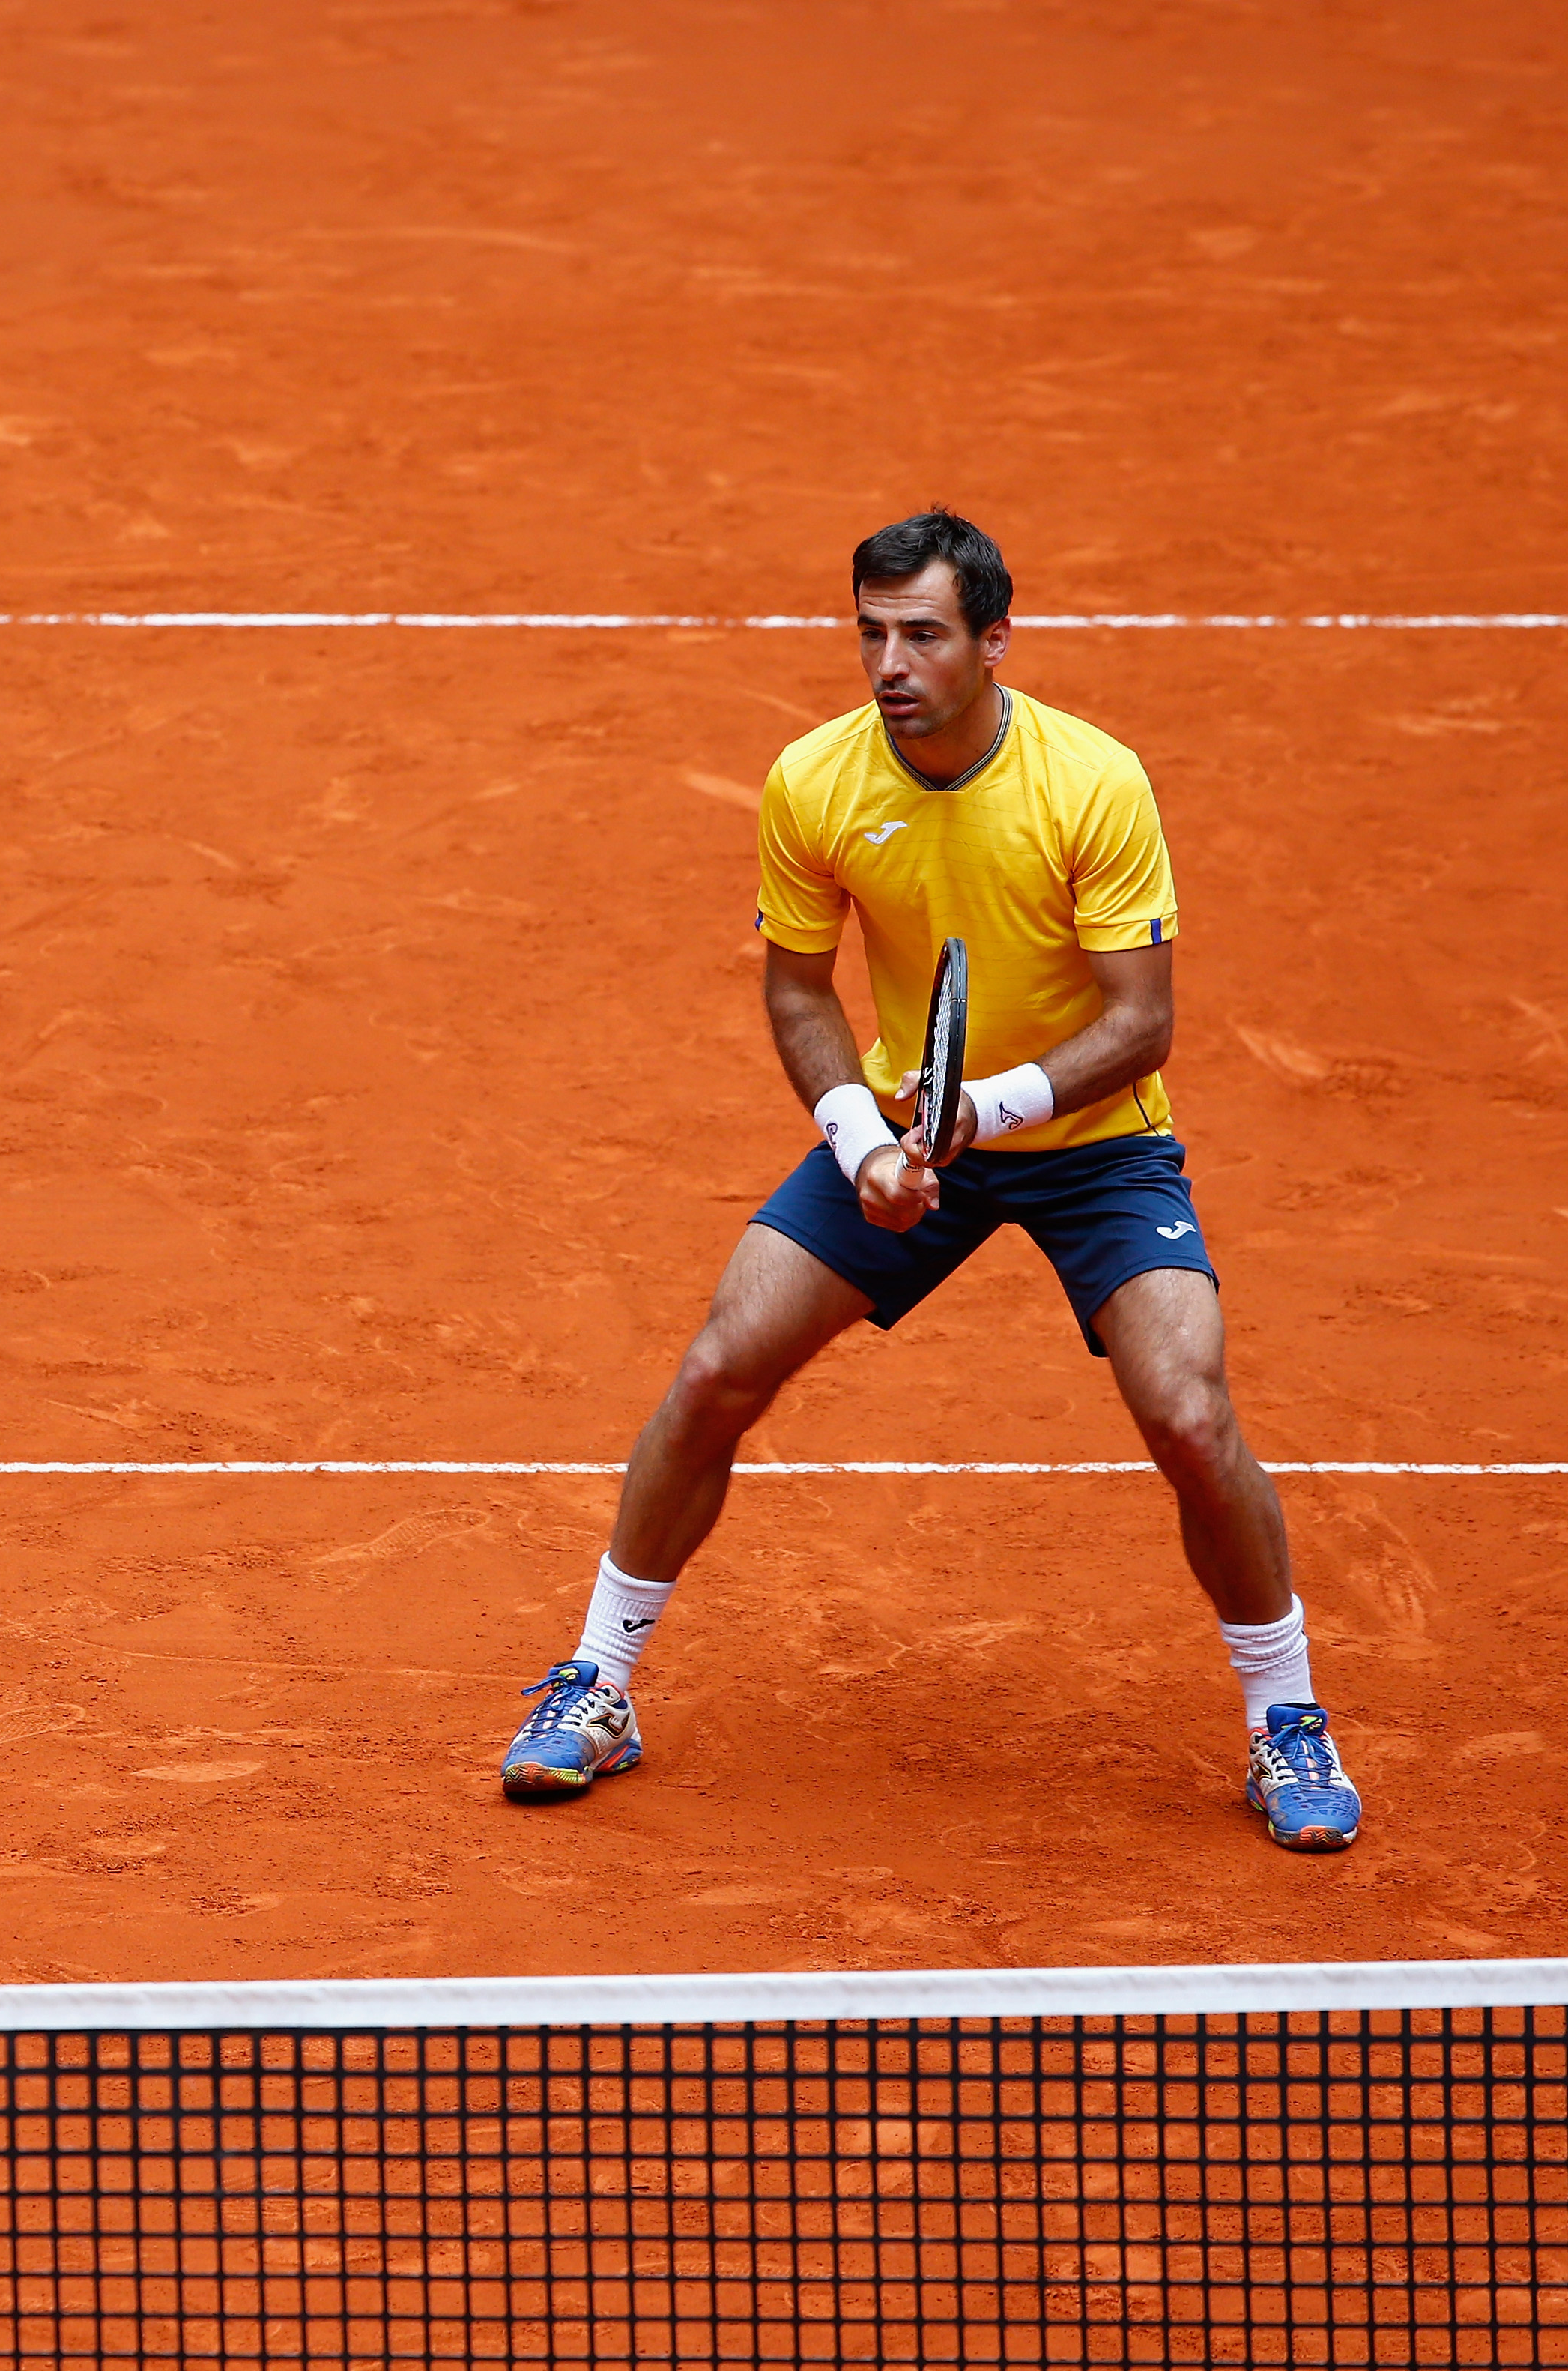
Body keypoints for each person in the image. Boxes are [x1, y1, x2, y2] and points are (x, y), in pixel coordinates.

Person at [497, 511, 1360, 1852]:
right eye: (871, 632)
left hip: (1095, 1148)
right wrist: (862, 1139)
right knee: (722, 1364)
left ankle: (1285, 1721)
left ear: (994, 642)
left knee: (1188, 1413)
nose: (889, 662)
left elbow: (1143, 1022)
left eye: (922, 634)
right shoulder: (815, 782)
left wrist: (990, 1108)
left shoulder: (1095, 782)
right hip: (907, 1131)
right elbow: (799, 992)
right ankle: (598, 1683)